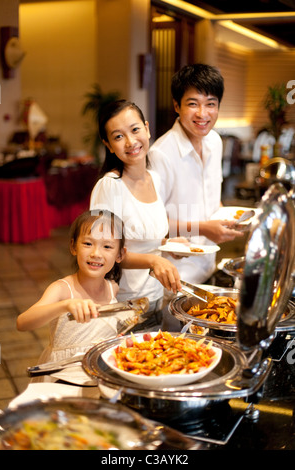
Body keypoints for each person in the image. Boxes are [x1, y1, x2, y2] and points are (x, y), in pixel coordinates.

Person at [148, 63, 243, 286]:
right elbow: (154, 224)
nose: (202, 114)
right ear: (177, 106)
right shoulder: (161, 154)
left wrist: (229, 219)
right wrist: (204, 228)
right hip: (176, 274)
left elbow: (211, 198)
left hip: (209, 264)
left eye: (211, 104)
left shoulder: (215, 142)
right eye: (193, 104)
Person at [90, 99, 181, 329]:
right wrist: (153, 260)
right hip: (123, 307)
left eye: (135, 130)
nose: (131, 142)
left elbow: (144, 239)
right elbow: (101, 253)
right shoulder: (110, 186)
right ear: (109, 145)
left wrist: (168, 245)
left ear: (147, 129)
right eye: (118, 136)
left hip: (155, 300)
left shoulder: (155, 178)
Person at [17, 209, 130, 362]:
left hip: (100, 369)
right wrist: (65, 305)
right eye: (88, 243)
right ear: (73, 247)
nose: (96, 253)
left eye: (107, 247)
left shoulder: (112, 288)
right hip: (63, 372)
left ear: (120, 255)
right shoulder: (62, 289)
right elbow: (23, 323)